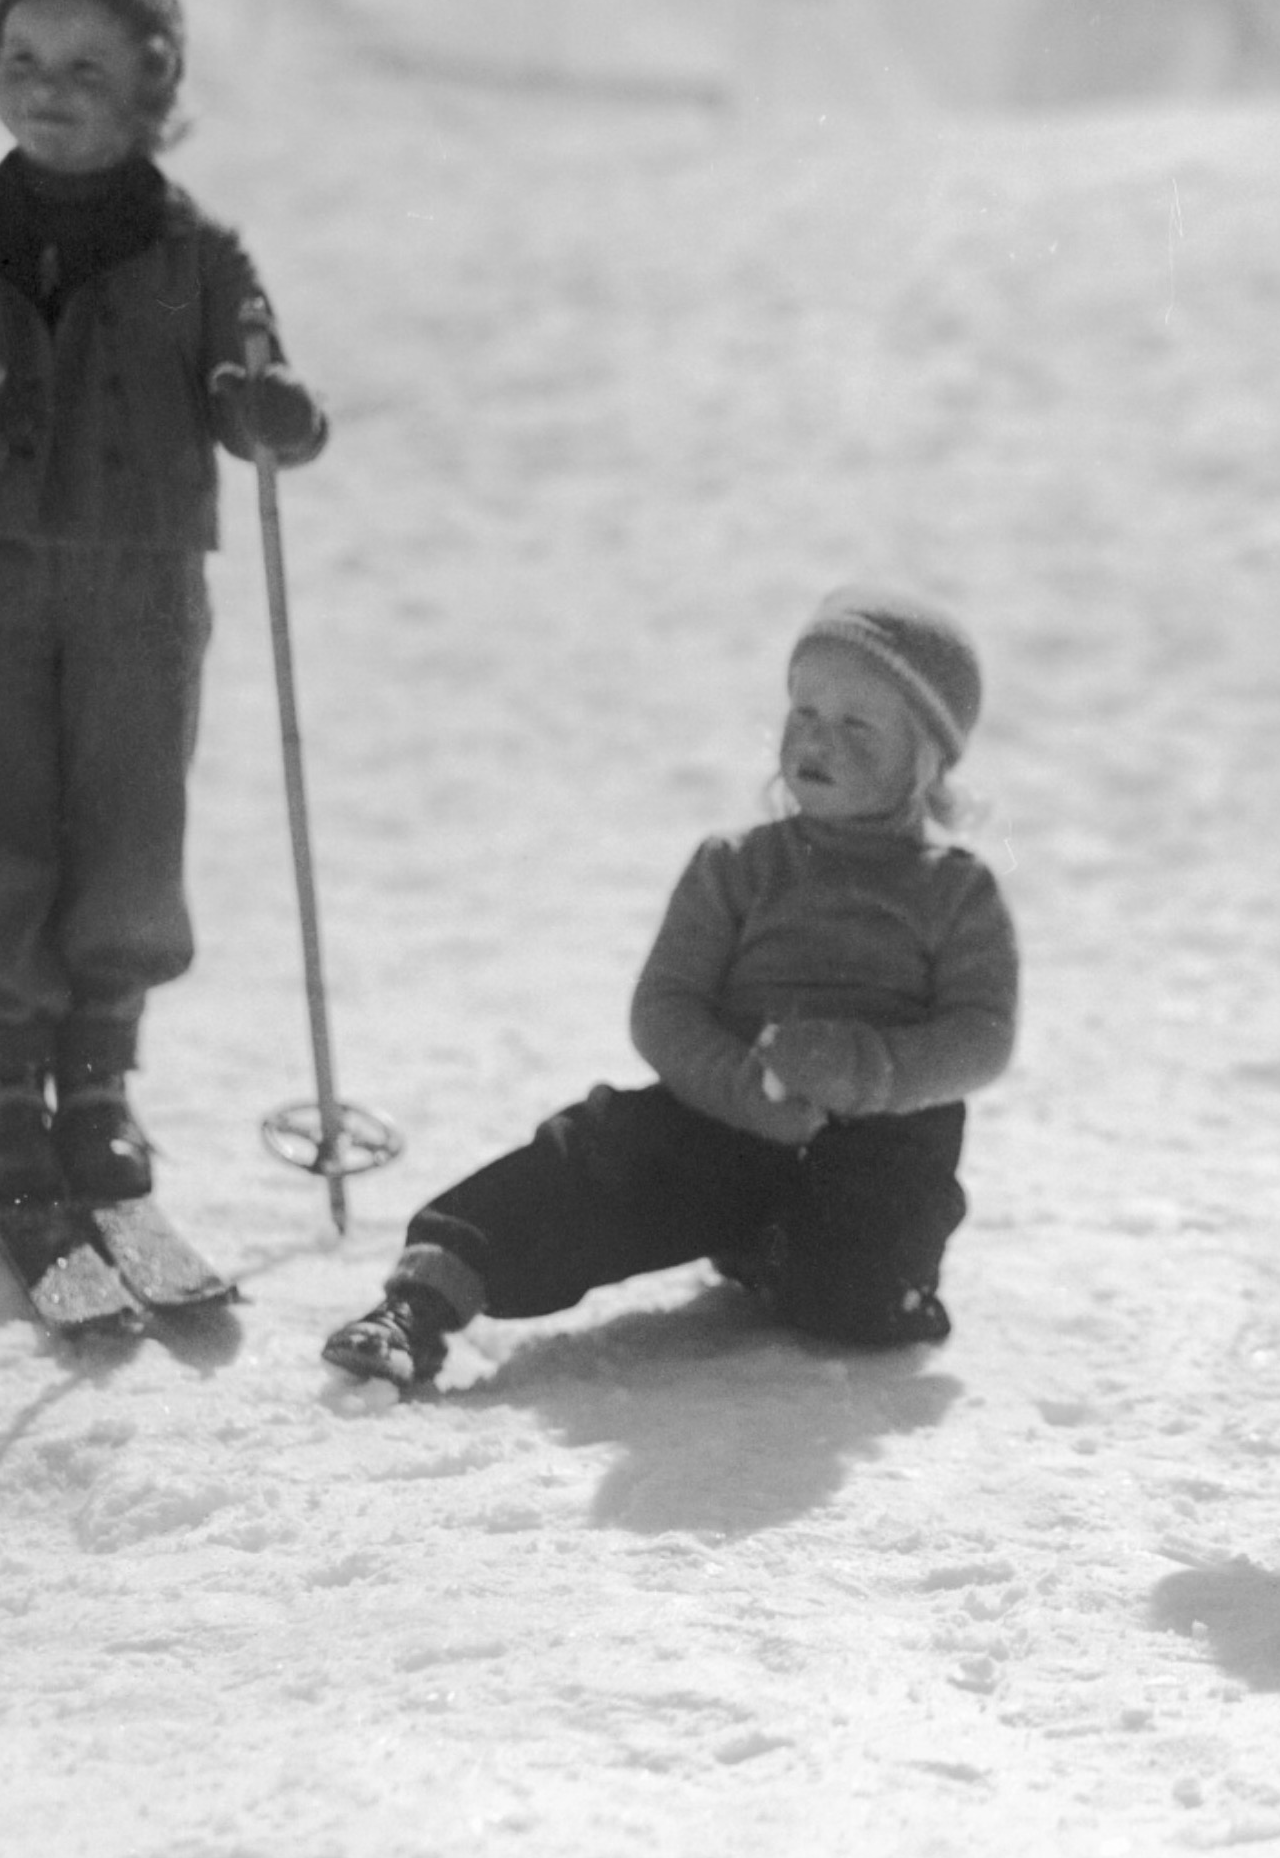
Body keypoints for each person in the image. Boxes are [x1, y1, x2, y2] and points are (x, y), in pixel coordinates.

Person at [0, 0, 328, 1207]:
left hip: (141, 580)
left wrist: (270, 411)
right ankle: (1, 1077)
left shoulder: (197, 252)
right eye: (22, 60)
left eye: (86, 66)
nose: (47, 86)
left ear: (153, 90)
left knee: (127, 821)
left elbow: (252, 374)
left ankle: (98, 1074)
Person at [323, 589, 1016, 1389]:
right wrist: (736, 1088)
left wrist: (871, 1071)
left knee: (865, 1306)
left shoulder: (958, 892)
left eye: (857, 724)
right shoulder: (735, 865)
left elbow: (981, 1033)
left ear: (926, 757)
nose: (817, 738)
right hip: (720, 1113)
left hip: (881, 1139)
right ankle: (423, 1300)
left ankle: (779, 1251)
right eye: (804, 711)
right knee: (599, 1159)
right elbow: (665, 1006)